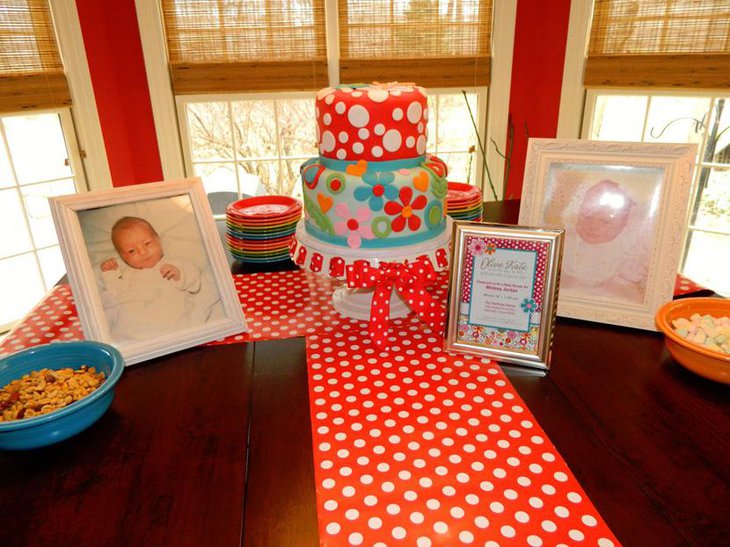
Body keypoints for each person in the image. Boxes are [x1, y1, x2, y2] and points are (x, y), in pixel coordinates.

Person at [99, 216, 209, 341]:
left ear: (158, 240)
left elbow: (194, 281)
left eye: (147, 243)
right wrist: (110, 273)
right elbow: (115, 293)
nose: (142, 252)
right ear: (123, 257)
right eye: (131, 251)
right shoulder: (129, 274)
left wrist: (179, 275)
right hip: (140, 324)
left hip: (172, 317)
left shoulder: (175, 264)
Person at [560, 179, 651, 303]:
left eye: (605, 221)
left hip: (613, 306)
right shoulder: (567, 240)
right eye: (587, 217)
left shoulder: (629, 248)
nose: (593, 226)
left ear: (624, 223)